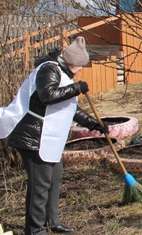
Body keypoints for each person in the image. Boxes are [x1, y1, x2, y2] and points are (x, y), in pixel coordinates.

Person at [0, 37, 107, 235]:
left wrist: (94, 124)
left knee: (54, 176)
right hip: (32, 135)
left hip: (47, 136)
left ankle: (52, 221)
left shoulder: (63, 74)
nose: (80, 70)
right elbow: (47, 95)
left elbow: (69, 108)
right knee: (40, 184)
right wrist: (77, 88)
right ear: (73, 63)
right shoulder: (49, 69)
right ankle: (35, 229)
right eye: (80, 66)